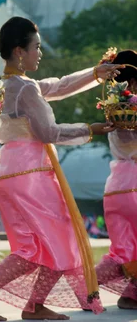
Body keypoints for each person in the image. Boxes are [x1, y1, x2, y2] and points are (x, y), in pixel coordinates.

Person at [0, 16, 121, 321]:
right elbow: (49, 133)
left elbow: (60, 85)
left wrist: (95, 74)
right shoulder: (26, 89)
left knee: (39, 243)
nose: (40, 53)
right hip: (30, 176)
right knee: (59, 240)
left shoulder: (12, 85)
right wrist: (89, 129)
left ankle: (34, 305)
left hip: (11, 174)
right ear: (19, 51)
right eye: (36, 47)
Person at [95, 49, 137, 310]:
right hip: (133, 185)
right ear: (132, 84)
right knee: (127, 251)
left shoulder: (114, 111)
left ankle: (129, 295)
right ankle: (84, 283)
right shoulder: (130, 109)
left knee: (125, 250)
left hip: (115, 186)